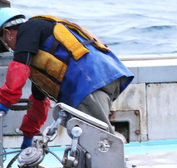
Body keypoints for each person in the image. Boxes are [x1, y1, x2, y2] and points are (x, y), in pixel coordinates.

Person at [0, 8, 133, 149]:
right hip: (104, 76)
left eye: (6, 44)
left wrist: (3, 104)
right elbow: (38, 102)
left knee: (101, 142)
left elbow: (18, 70)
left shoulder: (28, 29)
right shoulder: (39, 46)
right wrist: (28, 137)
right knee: (90, 141)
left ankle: (114, 161)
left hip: (88, 81)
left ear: (8, 33)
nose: (11, 49)